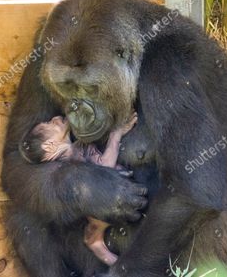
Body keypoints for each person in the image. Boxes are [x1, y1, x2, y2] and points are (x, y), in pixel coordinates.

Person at [20, 112, 138, 266]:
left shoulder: (74, 150)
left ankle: (99, 242)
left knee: (98, 227)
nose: (55, 119)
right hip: (108, 204)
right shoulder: (72, 159)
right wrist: (116, 134)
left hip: (99, 212)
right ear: (49, 146)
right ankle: (100, 243)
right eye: (49, 124)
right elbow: (103, 175)